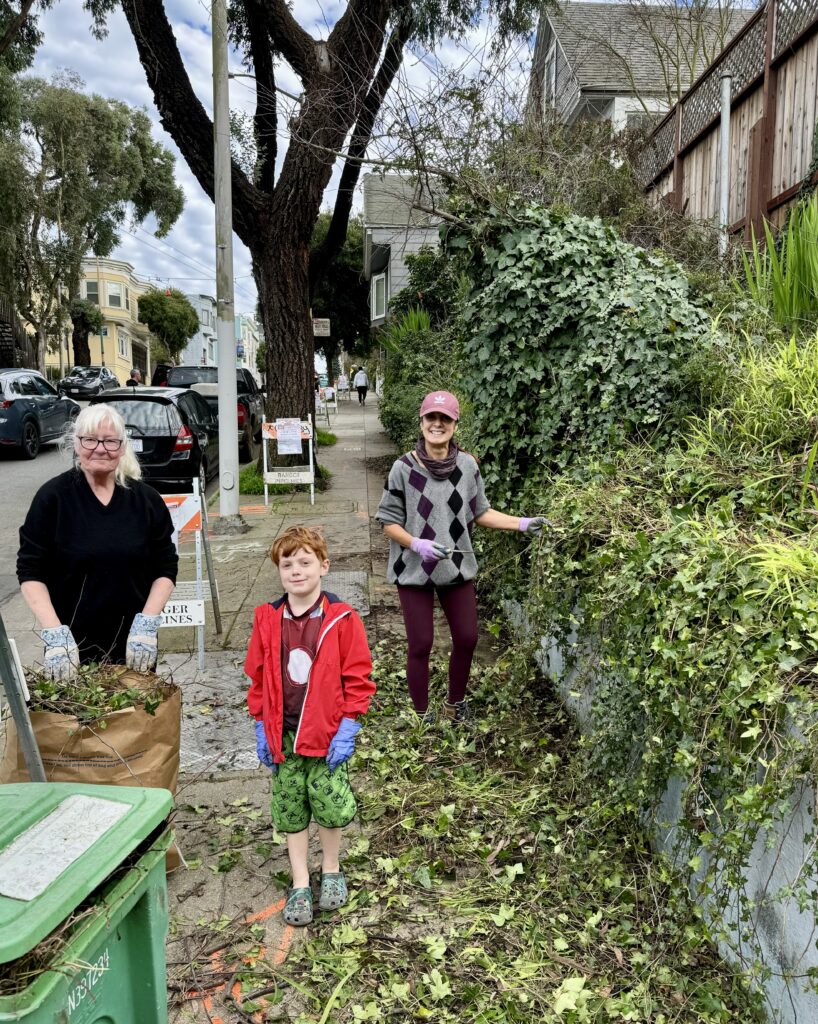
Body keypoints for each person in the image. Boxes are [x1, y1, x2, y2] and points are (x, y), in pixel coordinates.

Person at [376, 390, 547, 724]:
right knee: (421, 643)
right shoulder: (403, 468)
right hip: (414, 569)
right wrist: (417, 545)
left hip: (456, 568)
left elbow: (480, 513)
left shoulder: (468, 466)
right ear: (422, 421)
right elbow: (388, 522)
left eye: (445, 419)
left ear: (455, 425)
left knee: (468, 638)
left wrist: (522, 523)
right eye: (431, 418)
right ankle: (421, 715)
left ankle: (455, 705)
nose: (437, 424)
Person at [245, 526, 375, 927]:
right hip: (283, 736)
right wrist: (259, 721)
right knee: (290, 807)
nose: (296, 571)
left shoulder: (342, 619)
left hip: (326, 734)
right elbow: (258, 673)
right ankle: (301, 879)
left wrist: (349, 724)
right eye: (287, 564)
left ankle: (331, 868)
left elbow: (358, 675)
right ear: (279, 571)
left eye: (305, 562)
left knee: (329, 804)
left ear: (324, 566)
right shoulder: (268, 619)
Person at [17, 404, 178, 675]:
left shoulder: (146, 501)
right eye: (90, 439)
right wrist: (54, 633)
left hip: (133, 645)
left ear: (123, 446)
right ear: (76, 444)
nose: (101, 449)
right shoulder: (52, 499)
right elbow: (30, 571)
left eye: (110, 441)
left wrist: (148, 622)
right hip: (70, 649)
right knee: (74, 718)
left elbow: (166, 566)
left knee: (136, 716)